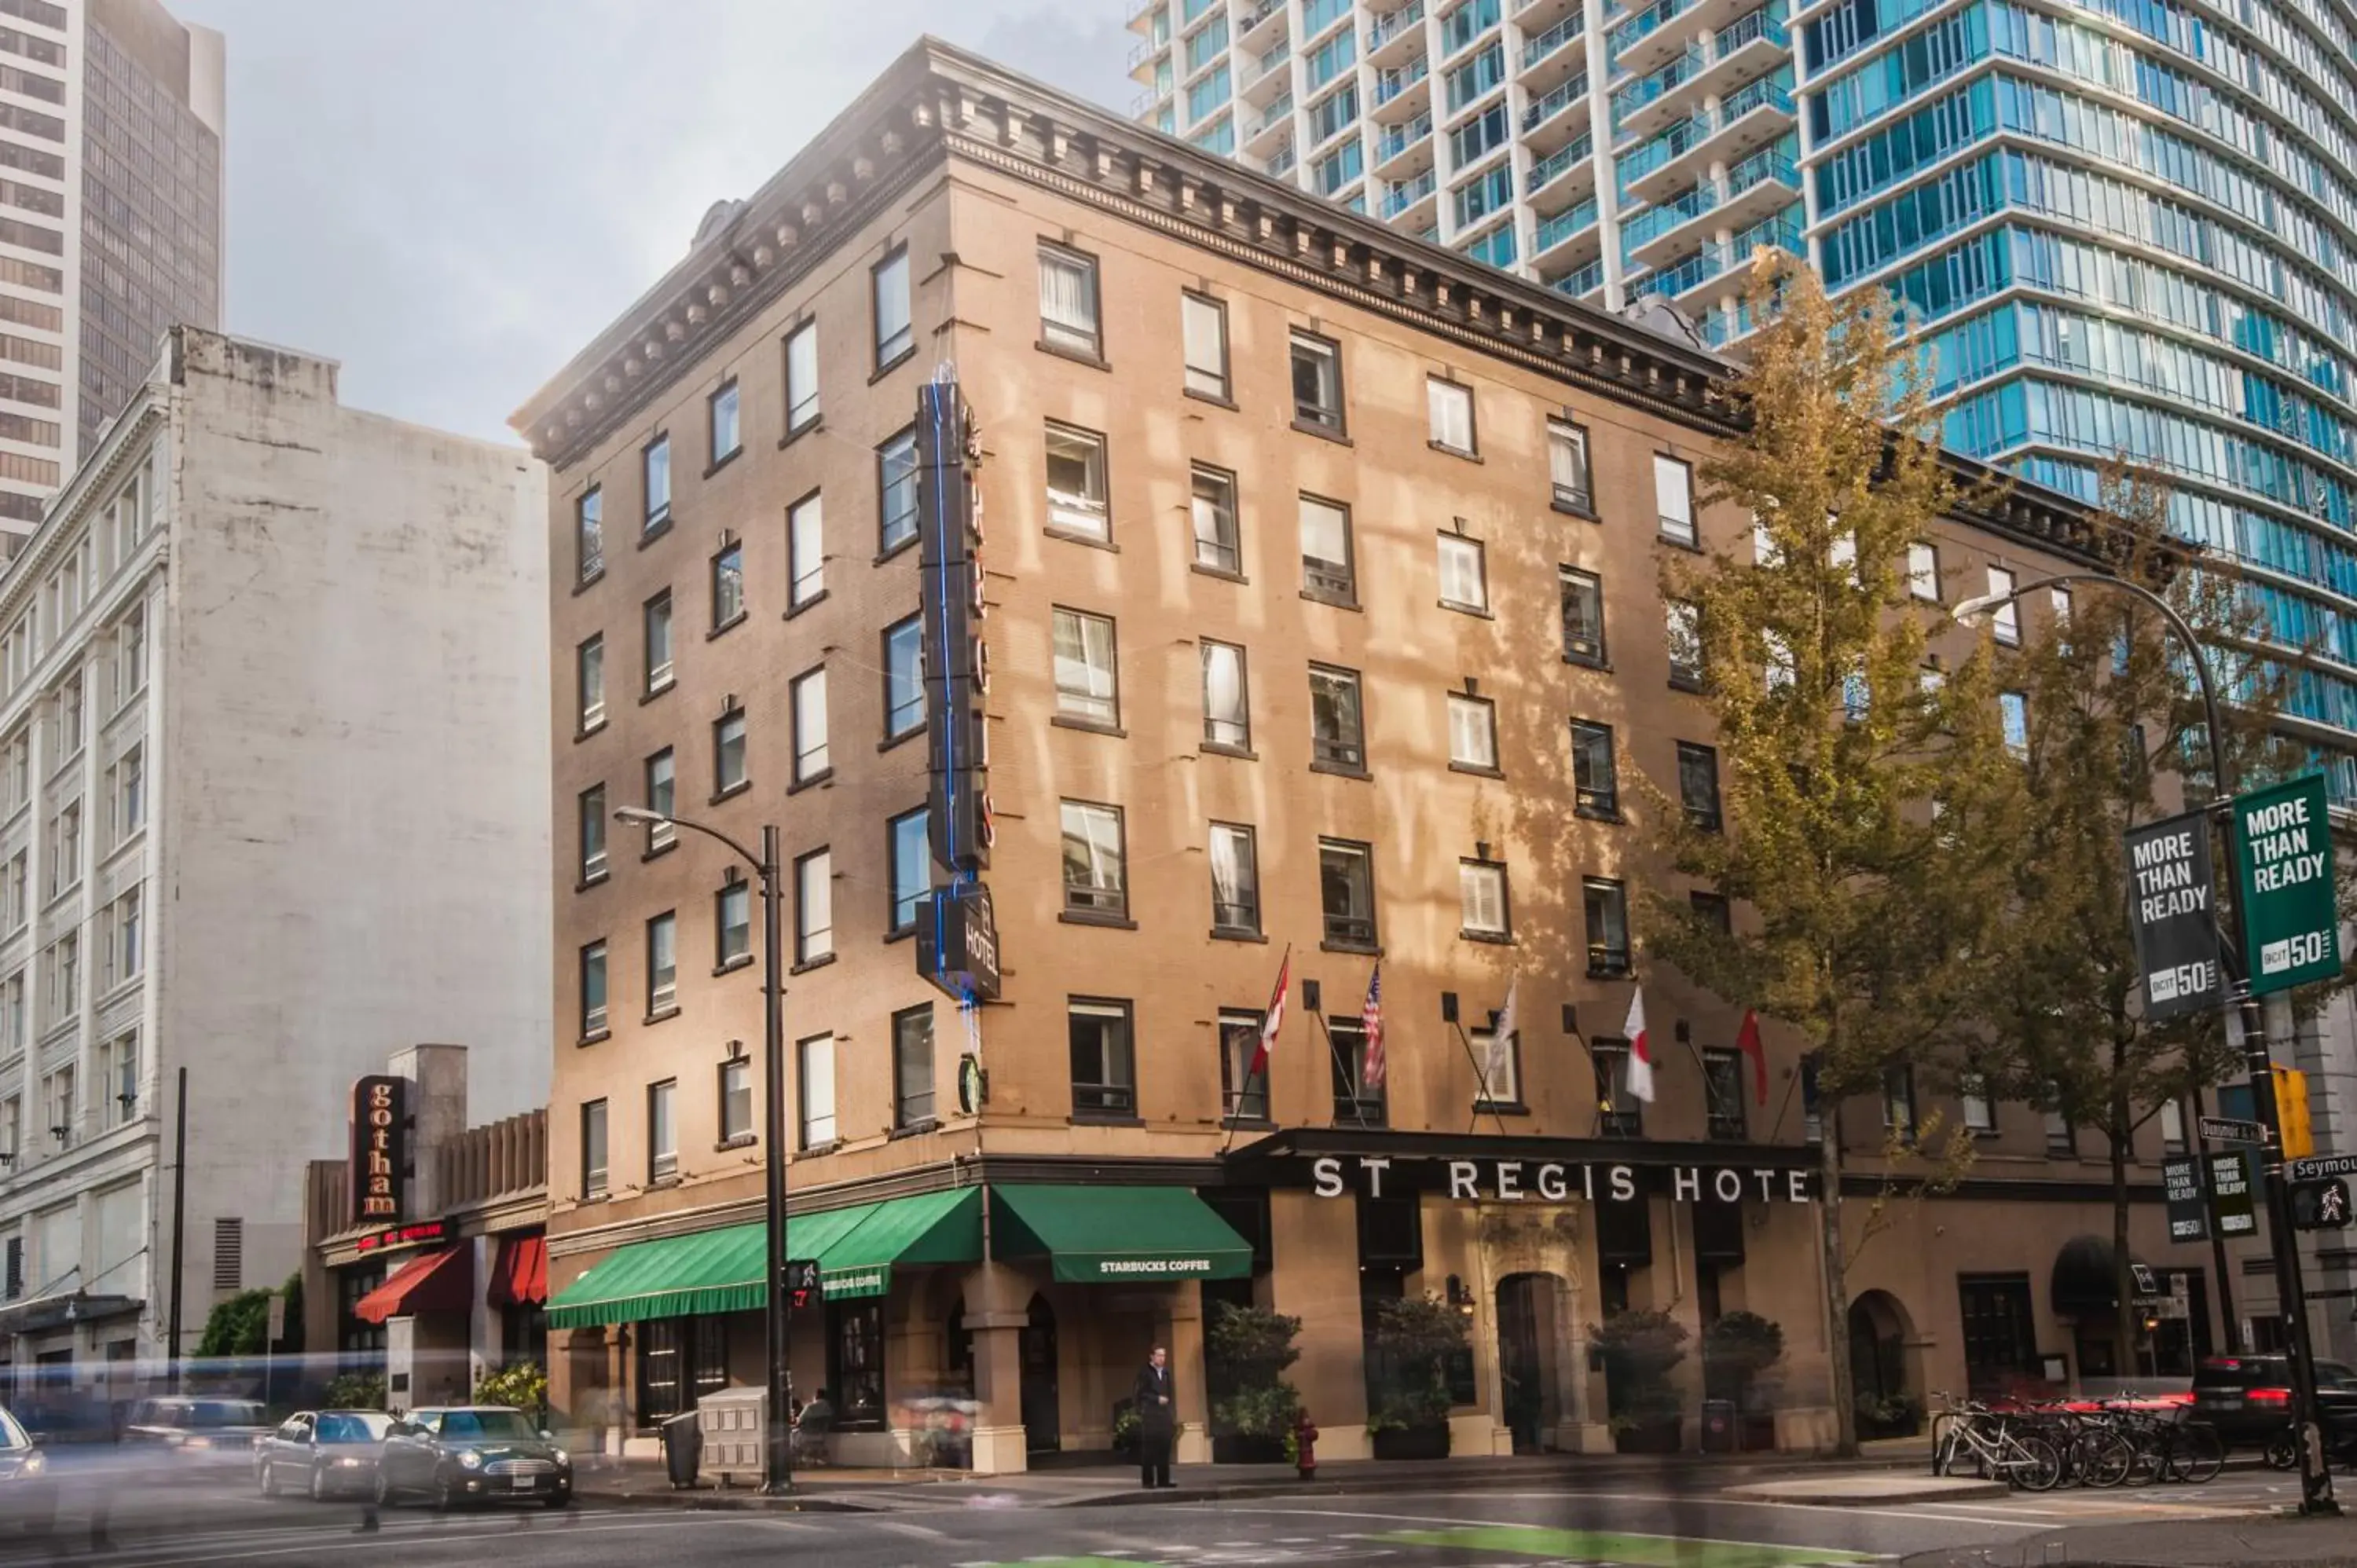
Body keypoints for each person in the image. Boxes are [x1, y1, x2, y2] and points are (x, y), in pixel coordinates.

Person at [1131, 1346, 1175, 1489]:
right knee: (1150, 1449)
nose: (1162, 1359)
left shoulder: (1166, 1373)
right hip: (1150, 1415)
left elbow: (1170, 1392)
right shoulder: (1145, 1373)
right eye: (1159, 1356)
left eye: (1164, 1356)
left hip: (1164, 1415)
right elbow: (1140, 1394)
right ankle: (1148, 1481)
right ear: (1152, 1357)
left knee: (1164, 1447)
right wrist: (1156, 1399)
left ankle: (1164, 1480)